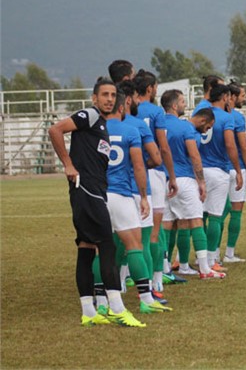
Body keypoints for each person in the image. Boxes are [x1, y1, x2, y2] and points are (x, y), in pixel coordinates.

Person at [48, 77, 145, 327]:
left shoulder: (100, 124)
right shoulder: (89, 115)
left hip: (90, 192)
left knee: (86, 247)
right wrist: (68, 165)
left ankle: (89, 312)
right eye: (105, 95)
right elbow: (55, 130)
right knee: (107, 247)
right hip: (87, 191)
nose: (109, 99)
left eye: (113, 95)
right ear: (94, 98)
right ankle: (116, 308)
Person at [104, 88, 171, 313]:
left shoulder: (96, 128)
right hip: (134, 189)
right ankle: (149, 292)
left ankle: (110, 291)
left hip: (102, 192)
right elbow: (154, 157)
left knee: (107, 245)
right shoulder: (136, 127)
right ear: (125, 103)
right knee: (141, 241)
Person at [160, 89, 224, 279]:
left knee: (167, 225)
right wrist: (201, 182)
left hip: (161, 180)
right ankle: (205, 269)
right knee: (196, 221)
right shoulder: (185, 127)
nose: (184, 105)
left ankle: (165, 268)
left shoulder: (157, 125)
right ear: (173, 105)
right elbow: (195, 156)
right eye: (181, 101)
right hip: (184, 179)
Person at [134, 70, 178, 276]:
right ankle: (157, 279)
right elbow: (164, 148)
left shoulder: (129, 111)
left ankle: (127, 278)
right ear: (150, 89)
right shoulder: (156, 112)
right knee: (154, 230)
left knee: (133, 230)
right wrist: (172, 175)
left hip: (133, 172)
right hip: (154, 171)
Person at [199, 84, 243, 271]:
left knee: (199, 217)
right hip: (218, 170)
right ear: (225, 97)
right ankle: (210, 261)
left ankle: (192, 259)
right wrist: (238, 170)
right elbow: (230, 145)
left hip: (200, 170)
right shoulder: (226, 117)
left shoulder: (201, 113)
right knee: (216, 217)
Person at [221, 82, 246, 262]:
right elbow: (243, 146)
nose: (245, 98)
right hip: (236, 168)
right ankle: (229, 253)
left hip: (218, 168)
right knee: (236, 211)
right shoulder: (236, 117)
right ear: (232, 97)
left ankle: (211, 256)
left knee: (216, 212)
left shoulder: (212, 114)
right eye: (242, 95)